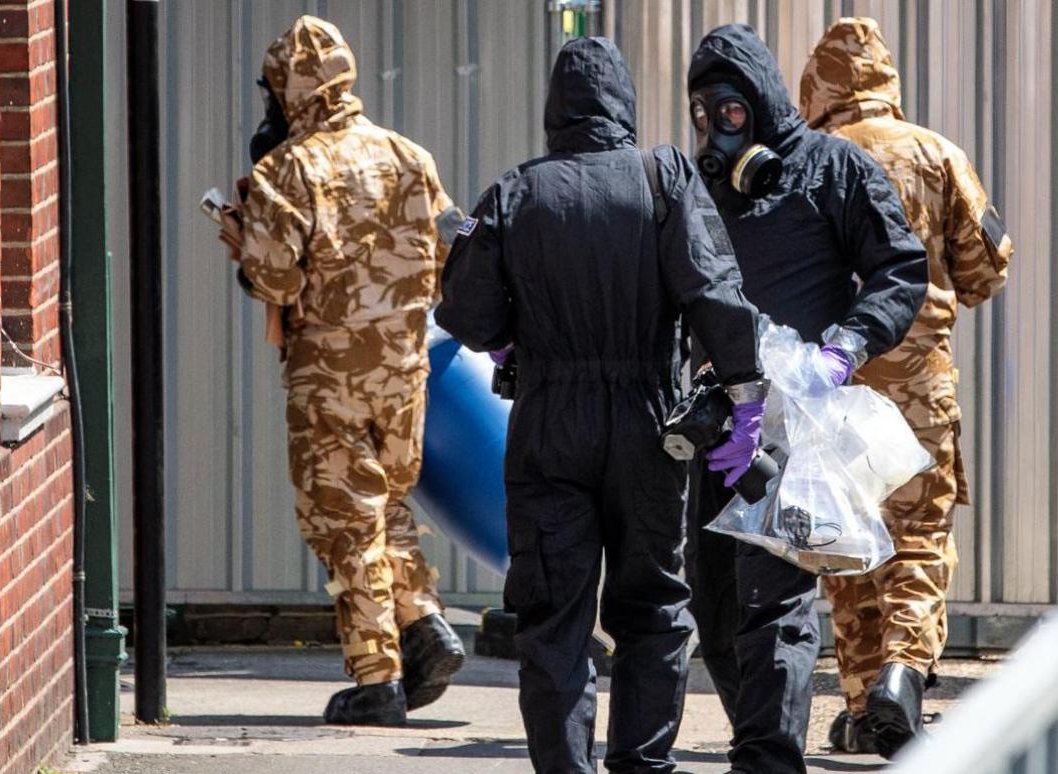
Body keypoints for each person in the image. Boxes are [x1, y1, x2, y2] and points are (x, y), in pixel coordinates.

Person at [436, 37, 766, 774]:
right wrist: (745, 397)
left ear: (554, 109)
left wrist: (510, 317)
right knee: (651, 609)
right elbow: (714, 291)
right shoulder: (662, 178)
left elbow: (470, 319)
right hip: (650, 422)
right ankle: (642, 767)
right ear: (623, 102)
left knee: (554, 618)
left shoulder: (516, 191)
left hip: (548, 421)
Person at [684, 24, 931, 774]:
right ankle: (755, 732)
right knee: (712, 600)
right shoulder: (697, 190)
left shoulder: (835, 168)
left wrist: (846, 346)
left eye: (729, 109)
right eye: (703, 113)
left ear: (760, 98)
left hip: (799, 420)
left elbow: (899, 269)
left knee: (778, 597)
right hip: (722, 416)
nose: (718, 127)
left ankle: (768, 756)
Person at [234, 15, 466, 726]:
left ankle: (378, 676)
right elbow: (453, 255)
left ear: (290, 91)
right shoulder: (409, 156)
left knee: (343, 521)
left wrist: (243, 230)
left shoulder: (287, 171)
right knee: (384, 506)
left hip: (328, 377)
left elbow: (271, 280)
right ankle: (422, 624)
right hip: (403, 373)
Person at [800, 18, 1013, 757]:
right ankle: (903, 675)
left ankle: (864, 710)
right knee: (918, 539)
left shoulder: (807, 157)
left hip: (830, 386)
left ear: (817, 87)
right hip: (919, 385)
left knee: (846, 543)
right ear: (886, 76)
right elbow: (984, 273)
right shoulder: (937, 153)